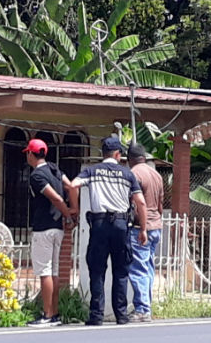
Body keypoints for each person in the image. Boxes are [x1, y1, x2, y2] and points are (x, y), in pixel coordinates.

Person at [70, 137, 147, 325]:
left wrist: (74, 208)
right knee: (121, 270)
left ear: (103, 153)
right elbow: (141, 202)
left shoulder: (92, 171)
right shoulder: (127, 174)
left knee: (97, 270)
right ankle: (121, 315)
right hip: (121, 225)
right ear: (118, 154)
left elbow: (72, 185)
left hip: (99, 224)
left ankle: (96, 315)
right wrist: (143, 229)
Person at [22, 139, 79, 327]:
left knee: (44, 272)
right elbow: (71, 186)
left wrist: (68, 214)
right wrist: (74, 209)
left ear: (31, 154)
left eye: (27, 154)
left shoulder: (37, 176)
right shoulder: (55, 169)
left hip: (43, 227)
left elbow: (54, 197)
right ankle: (54, 313)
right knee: (53, 270)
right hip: (58, 228)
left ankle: (46, 315)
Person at [127, 143, 164, 323]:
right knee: (148, 268)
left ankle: (142, 309)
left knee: (138, 268)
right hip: (156, 225)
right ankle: (146, 305)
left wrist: (141, 226)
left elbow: (135, 202)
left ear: (130, 159)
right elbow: (160, 205)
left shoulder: (134, 174)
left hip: (141, 228)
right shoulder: (156, 174)